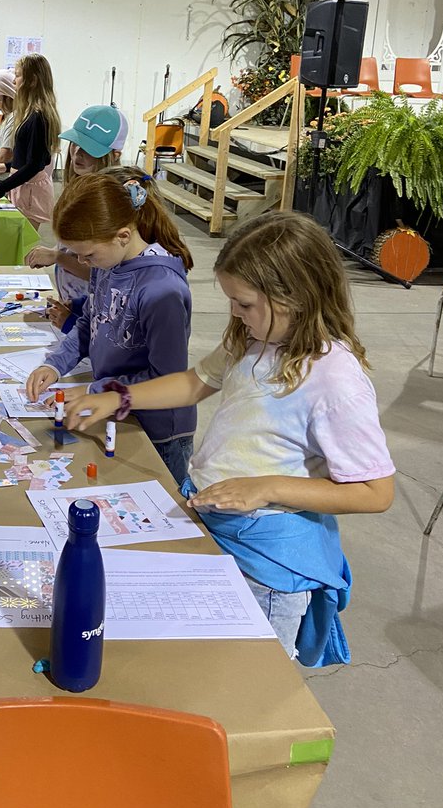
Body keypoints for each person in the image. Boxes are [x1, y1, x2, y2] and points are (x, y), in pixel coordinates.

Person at [64, 211, 396, 668]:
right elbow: (196, 381)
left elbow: (376, 492)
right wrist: (121, 397)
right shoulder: (254, 338)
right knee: (204, 661)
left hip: (269, 563)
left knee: (252, 675)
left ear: (293, 297)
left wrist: (267, 487)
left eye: (244, 304)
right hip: (216, 521)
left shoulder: (336, 380)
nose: (236, 316)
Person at [27, 167, 195, 484]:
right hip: (117, 412)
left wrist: (94, 390)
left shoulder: (163, 291)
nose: (82, 262)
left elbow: (168, 380)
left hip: (158, 431)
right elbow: (91, 321)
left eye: (86, 254)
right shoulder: (109, 263)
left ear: (122, 236)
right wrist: (56, 364)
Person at [26, 105, 128, 330]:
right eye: (76, 145)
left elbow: (100, 272)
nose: (77, 154)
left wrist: (57, 257)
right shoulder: (79, 187)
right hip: (75, 304)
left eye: (89, 149)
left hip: (96, 315)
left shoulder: (108, 203)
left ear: (115, 155)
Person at [0, 54, 60, 229]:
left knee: (23, 246)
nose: (14, 82)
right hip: (23, 185)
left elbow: (36, 164)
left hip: (30, 190)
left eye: (18, 76)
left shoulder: (38, 116)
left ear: (33, 80)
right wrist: (5, 167)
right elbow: (37, 157)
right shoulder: (30, 113)